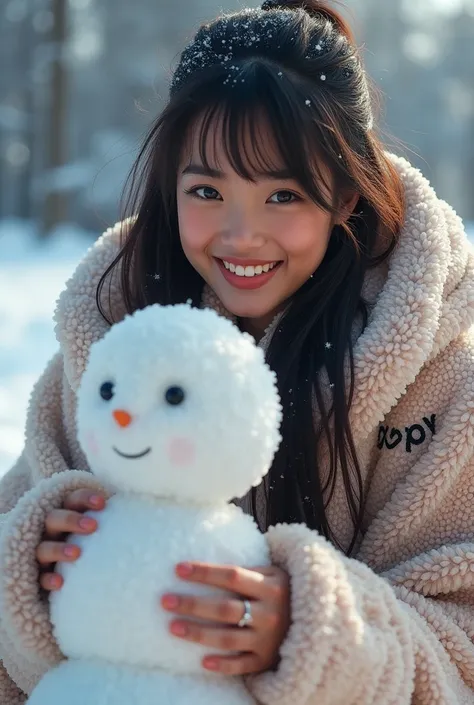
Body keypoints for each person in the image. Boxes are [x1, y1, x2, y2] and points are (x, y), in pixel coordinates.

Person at [1, 0, 474, 702]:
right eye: (207, 190)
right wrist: (34, 582)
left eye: (283, 193)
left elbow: (462, 647)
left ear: (343, 194)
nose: (240, 234)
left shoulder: (443, 377)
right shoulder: (110, 349)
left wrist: (320, 634)